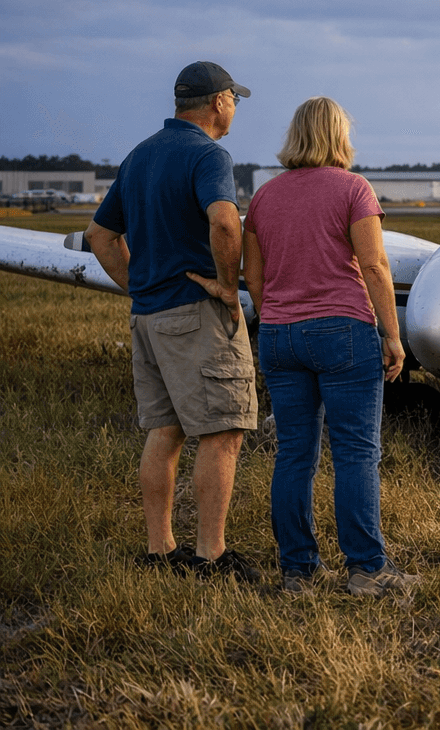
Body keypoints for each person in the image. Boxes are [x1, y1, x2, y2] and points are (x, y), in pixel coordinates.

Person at [85, 61, 261, 581]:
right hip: (195, 313)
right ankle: (210, 555)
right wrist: (229, 288)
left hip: (148, 316)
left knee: (165, 430)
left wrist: (139, 285)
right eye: (234, 99)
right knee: (223, 429)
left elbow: (99, 234)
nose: (234, 109)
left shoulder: (140, 155)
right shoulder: (209, 154)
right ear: (219, 102)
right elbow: (225, 219)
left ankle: (160, 550)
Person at [242, 97, 417, 597]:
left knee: (294, 454)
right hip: (343, 331)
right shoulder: (353, 188)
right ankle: (366, 569)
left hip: (279, 334)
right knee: (356, 453)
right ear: (339, 136)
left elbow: (252, 276)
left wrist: (277, 312)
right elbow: (375, 265)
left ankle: (297, 571)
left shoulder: (264, 197)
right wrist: (392, 334)